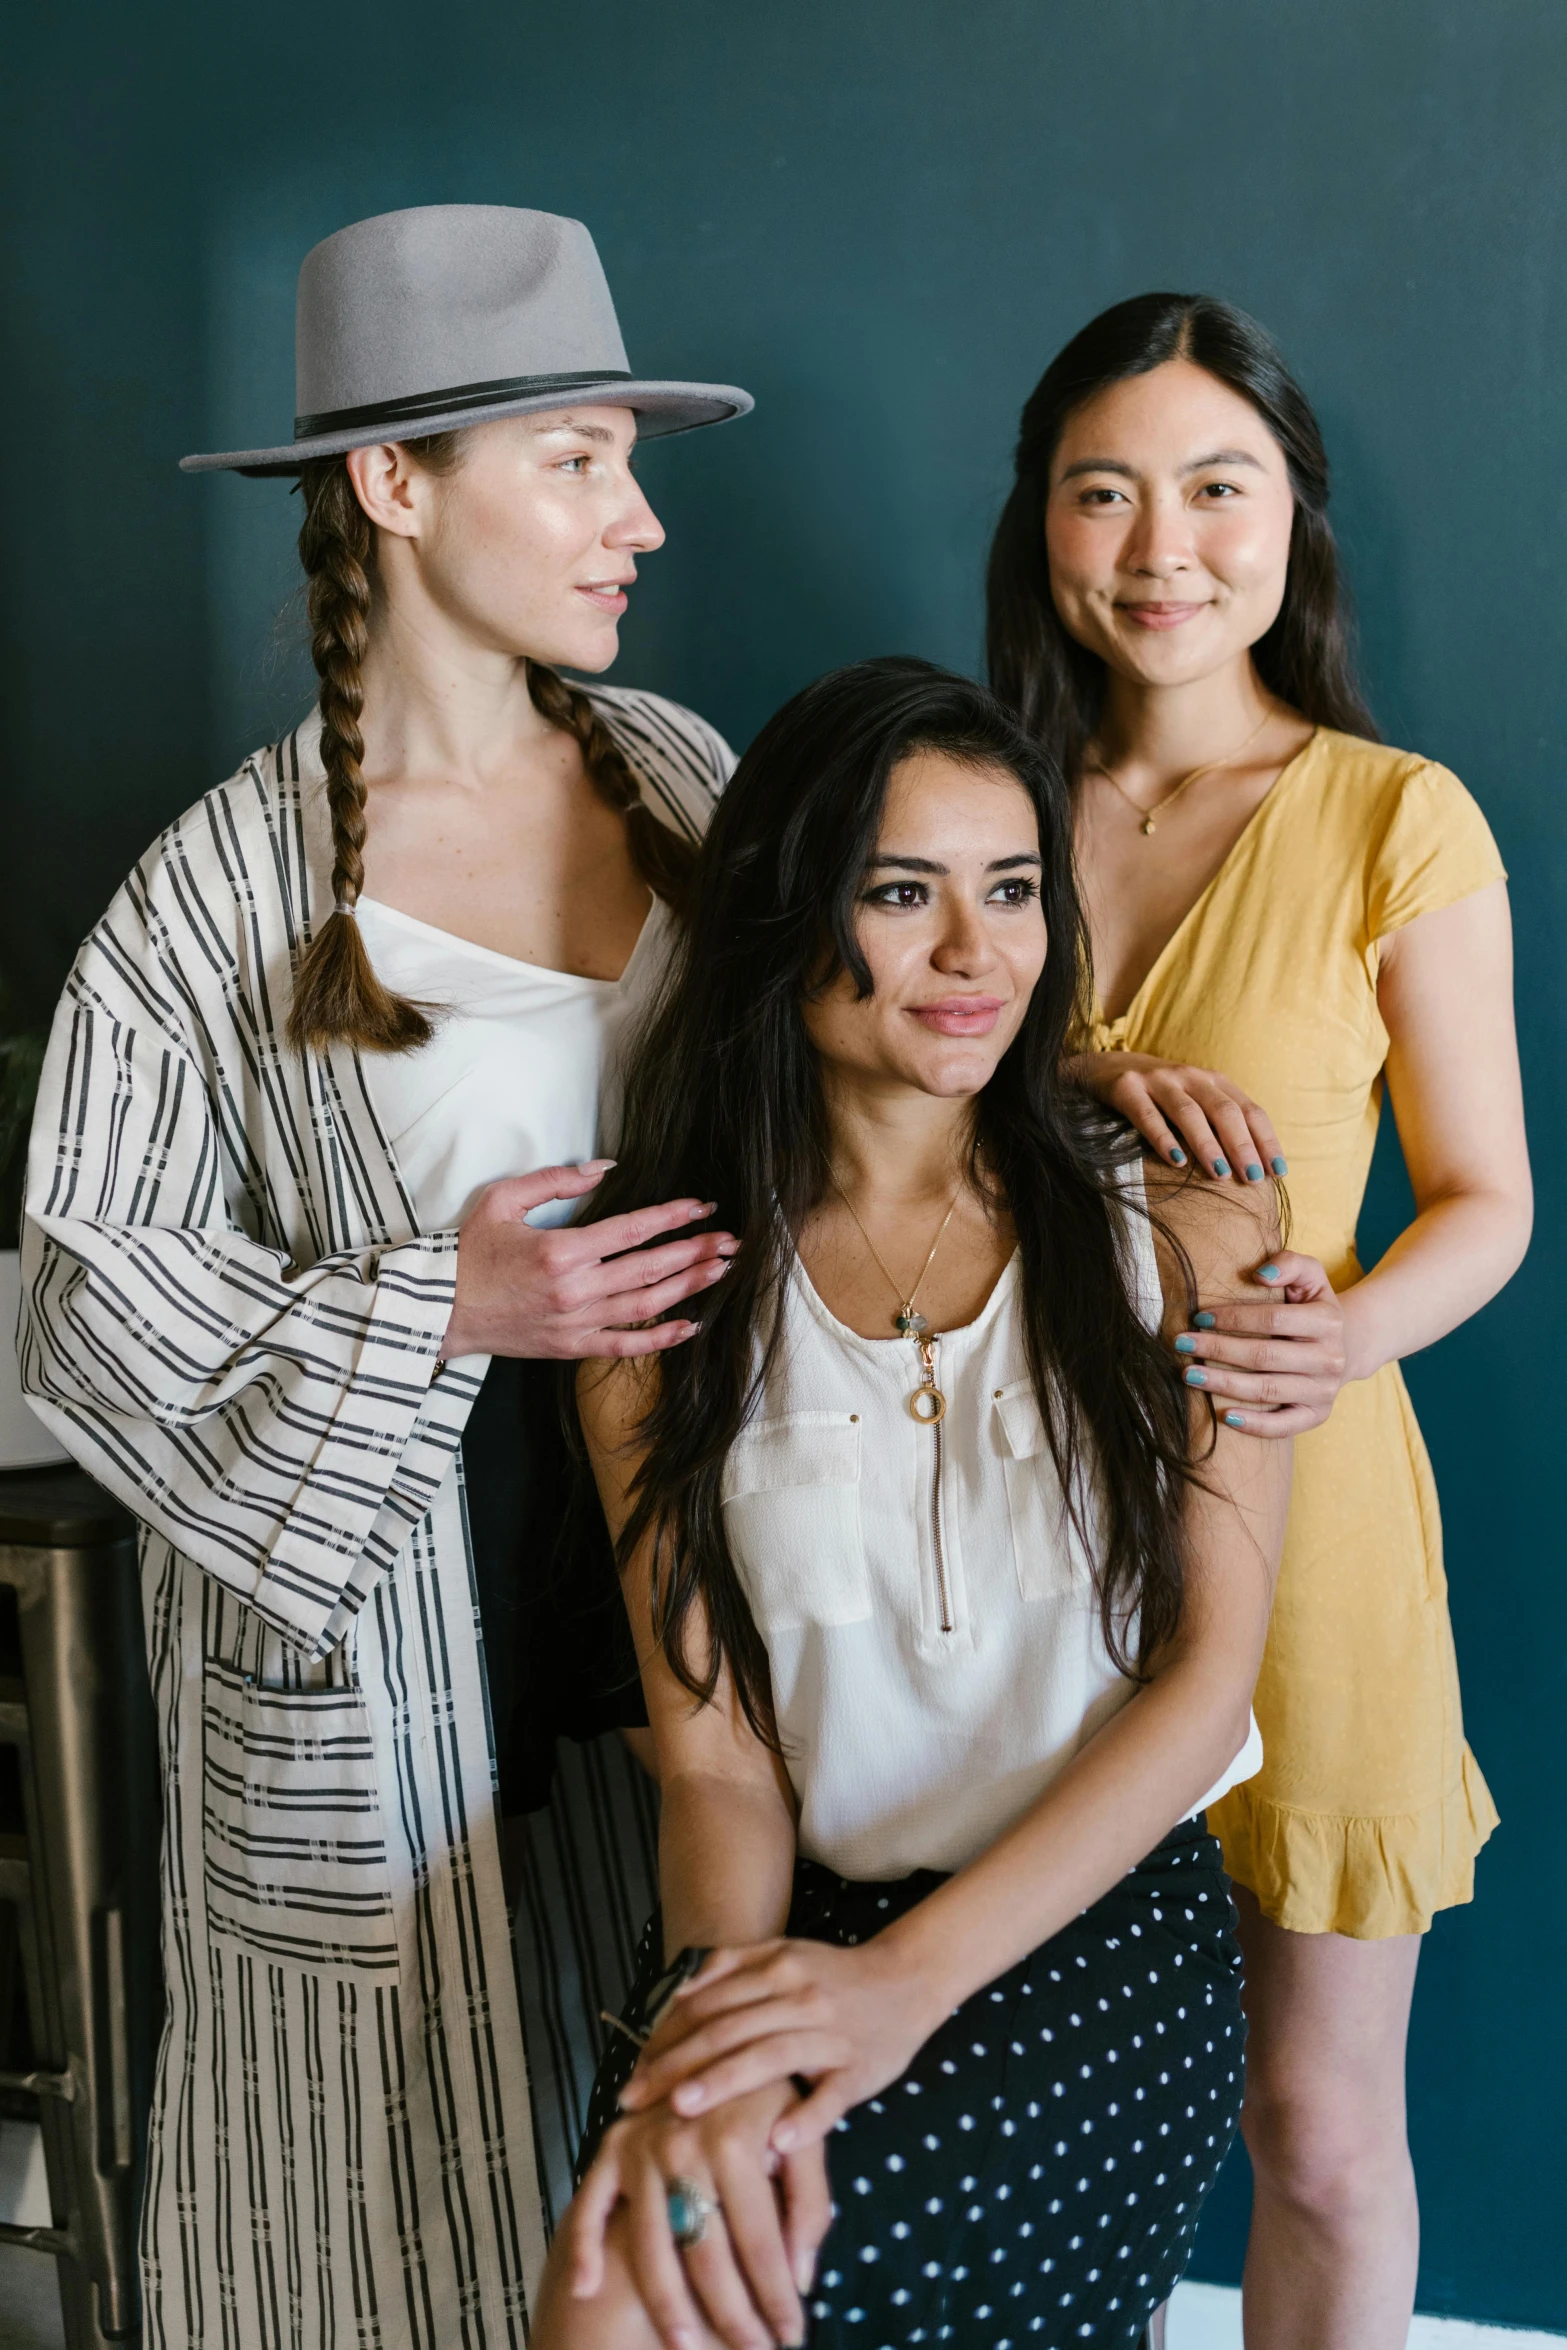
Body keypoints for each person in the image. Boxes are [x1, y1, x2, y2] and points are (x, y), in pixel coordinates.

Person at [19, 202, 753, 2342]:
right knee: (392, 2218)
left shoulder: (692, 783)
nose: (639, 522)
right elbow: (88, 1294)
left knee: (672, 2173)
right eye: (580, 459)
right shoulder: (221, 901)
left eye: (633, 461)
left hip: (680, 1612)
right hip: (400, 1651)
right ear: (395, 482)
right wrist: (440, 1303)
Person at [528, 657, 1291, 2350]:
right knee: (612, 2289)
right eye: (902, 891)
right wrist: (707, 2042)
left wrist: (900, 1991)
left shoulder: (1182, 1233)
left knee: (776, 2280)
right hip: (798, 1915)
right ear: (787, 914)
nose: (976, 952)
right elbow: (717, 1761)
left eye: (1013, 888)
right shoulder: (663, 1302)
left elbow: (1203, 1686)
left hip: (1093, 1924)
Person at [985, 293, 1532, 2349]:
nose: (1160, 547)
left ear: (1291, 517)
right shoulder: (983, 802)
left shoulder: (1399, 813)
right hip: (1016, 1517)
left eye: (1218, 489)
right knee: (1054, 2099)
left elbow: (1489, 1200)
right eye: (1102, 491)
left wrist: (1356, 1330)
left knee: (1312, 2124)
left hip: (1306, 1509)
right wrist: (1074, 1088)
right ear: (1040, 522)